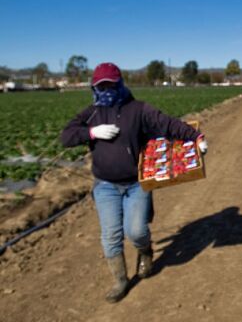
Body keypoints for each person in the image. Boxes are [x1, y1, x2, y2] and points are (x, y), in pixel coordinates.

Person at [61, 62, 208, 303]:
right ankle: (120, 280)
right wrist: (91, 133)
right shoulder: (92, 114)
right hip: (105, 185)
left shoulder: (137, 109)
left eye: (111, 85)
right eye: (101, 86)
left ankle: (145, 249)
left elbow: (167, 123)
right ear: (94, 87)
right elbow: (66, 137)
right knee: (110, 235)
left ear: (120, 84)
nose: (106, 90)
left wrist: (196, 137)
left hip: (136, 183)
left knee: (137, 231)